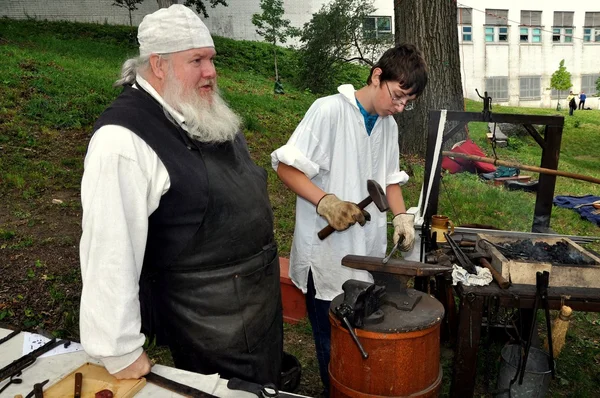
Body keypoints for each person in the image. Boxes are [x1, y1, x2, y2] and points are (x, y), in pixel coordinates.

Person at [79, 4, 283, 385]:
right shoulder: (122, 139)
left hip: (257, 304)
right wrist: (118, 349)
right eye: (197, 61)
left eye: (211, 59)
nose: (210, 72)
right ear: (159, 65)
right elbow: (109, 247)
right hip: (205, 320)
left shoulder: (201, 111)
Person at [270, 43, 428, 396]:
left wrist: (401, 216)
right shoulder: (328, 111)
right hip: (326, 253)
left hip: (365, 249)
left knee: (360, 334)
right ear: (377, 76)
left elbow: (388, 180)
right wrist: (325, 201)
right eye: (398, 96)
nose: (401, 107)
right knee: (334, 343)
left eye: (408, 102)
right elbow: (286, 166)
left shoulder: (388, 125)